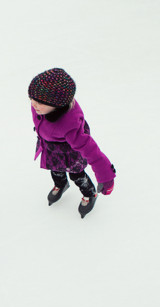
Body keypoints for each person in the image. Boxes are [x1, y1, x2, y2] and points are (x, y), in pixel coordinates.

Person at [28, 68, 116, 218]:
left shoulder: (70, 126)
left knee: (77, 175)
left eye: (39, 102)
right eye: (31, 99)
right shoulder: (41, 107)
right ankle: (61, 184)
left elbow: (92, 151)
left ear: (57, 104)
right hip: (51, 147)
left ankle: (90, 194)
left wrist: (106, 176)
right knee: (55, 170)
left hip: (71, 152)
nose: (33, 105)